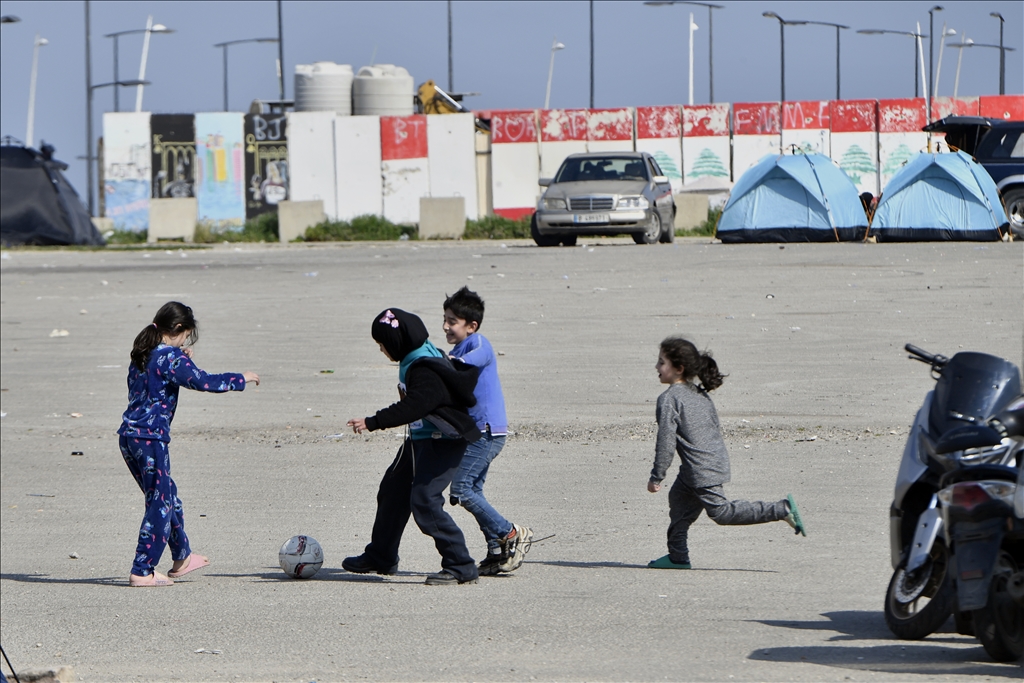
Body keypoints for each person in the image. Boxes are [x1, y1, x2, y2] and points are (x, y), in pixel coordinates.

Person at [118, 301, 259, 587]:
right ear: (179, 329)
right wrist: (240, 379)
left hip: (129, 436)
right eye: (186, 335)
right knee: (160, 502)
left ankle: (182, 556)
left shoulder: (144, 354)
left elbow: (155, 379)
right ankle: (142, 569)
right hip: (151, 438)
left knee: (167, 495)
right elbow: (203, 381)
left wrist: (179, 357)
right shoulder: (170, 358)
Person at [344, 308, 483, 586]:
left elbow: (416, 405)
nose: (381, 349)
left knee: (425, 500)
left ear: (397, 342)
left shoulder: (423, 366)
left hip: (442, 442)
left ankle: (461, 565)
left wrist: (373, 421)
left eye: (382, 344)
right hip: (421, 439)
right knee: (392, 491)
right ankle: (381, 555)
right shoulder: (417, 356)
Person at [646, 337, 805, 570]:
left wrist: (657, 475)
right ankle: (678, 556)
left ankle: (781, 509)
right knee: (679, 500)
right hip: (706, 464)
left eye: (661, 363)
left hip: (701, 469)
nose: (656, 367)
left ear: (678, 369)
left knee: (721, 513)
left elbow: (666, 441)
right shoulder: (698, 393)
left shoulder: (670, 399)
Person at [443, 287, 532, 576]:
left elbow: (477, 359)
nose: (446, 326)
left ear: (472, 325)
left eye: (453, 321)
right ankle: (497, 550)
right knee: (474, 490)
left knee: (461, 489)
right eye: (444, 319)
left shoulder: (478, 344)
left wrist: (448, 365)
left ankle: (510, 533)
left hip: (489, 432)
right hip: (476, 433)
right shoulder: (456, 351)